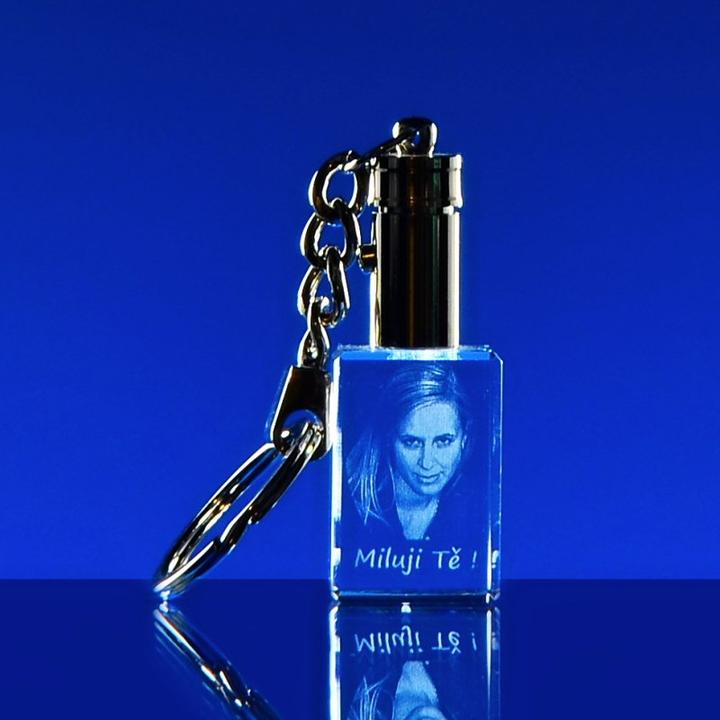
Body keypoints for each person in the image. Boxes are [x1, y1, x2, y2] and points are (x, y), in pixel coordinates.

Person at [346, 364, 471, 542]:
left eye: (443, 441)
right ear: (388, 439)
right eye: (412, 442)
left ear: (464, 440)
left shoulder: (477, 511)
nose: (426, 463)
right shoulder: (348, 504)